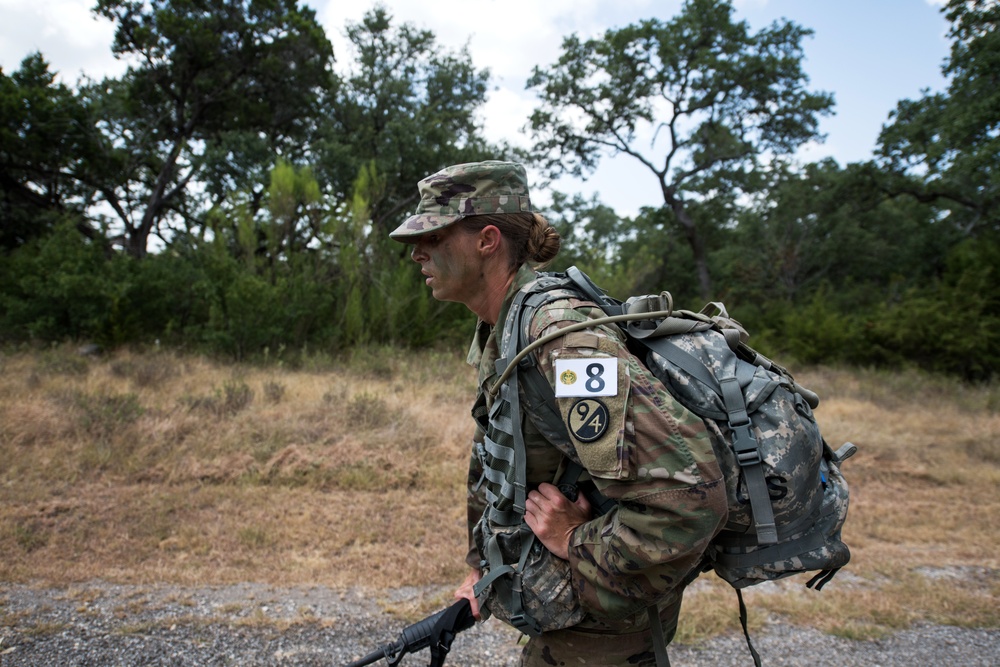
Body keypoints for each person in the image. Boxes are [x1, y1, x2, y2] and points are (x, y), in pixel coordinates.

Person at [389, 160, 728, 667]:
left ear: (487, 240)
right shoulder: (505, 328)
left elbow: (690, 501)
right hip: (568, 620)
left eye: (434, 235)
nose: (417, 252)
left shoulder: (563, 340)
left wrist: (575, 539)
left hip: (607, 635)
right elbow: (505, 462)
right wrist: (483, 568)